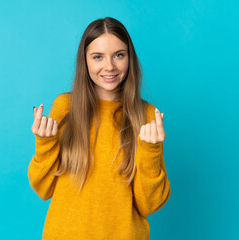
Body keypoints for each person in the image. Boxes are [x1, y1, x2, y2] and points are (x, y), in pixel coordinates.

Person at [28, 16, 171, 240]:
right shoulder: (65, 107)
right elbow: (43, 188)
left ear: (129, 58)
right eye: (98, 57)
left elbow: (149, 205)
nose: (110, 66)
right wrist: (45, 143)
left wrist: (151, 151)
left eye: (119, 55)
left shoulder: (145, 115)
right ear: (84, 61)